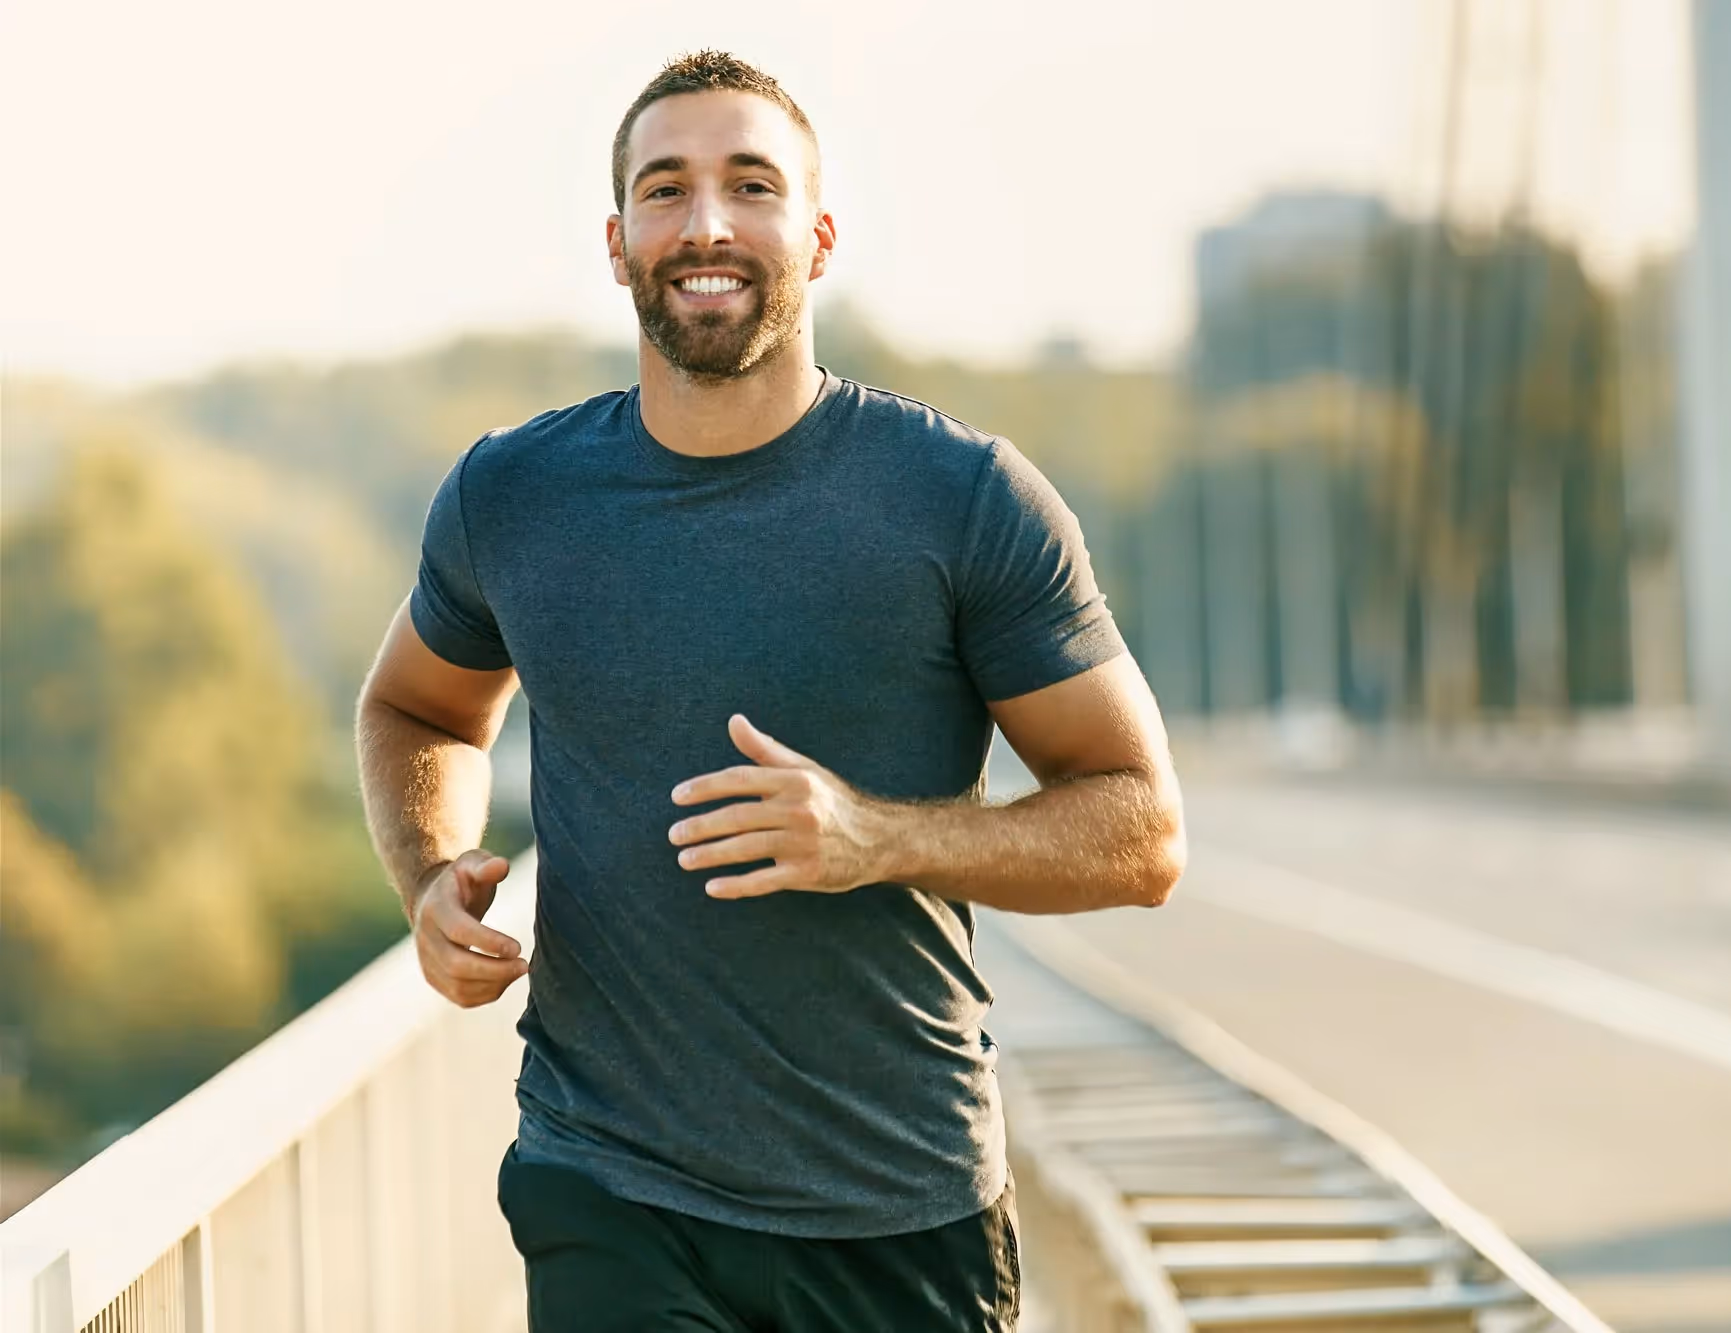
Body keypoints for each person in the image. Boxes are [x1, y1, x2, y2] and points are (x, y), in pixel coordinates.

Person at [353, 49, 1186, 1333]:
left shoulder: (961, 498)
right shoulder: (510, 497)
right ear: (618, 238)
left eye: (751, 185)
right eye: (667, 189)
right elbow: (417, 707)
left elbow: (1140, 829)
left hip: (894, 1205)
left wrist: (876, 837)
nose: (707, 224)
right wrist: (428, 878)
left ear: (817, 233)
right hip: (607, 1185)